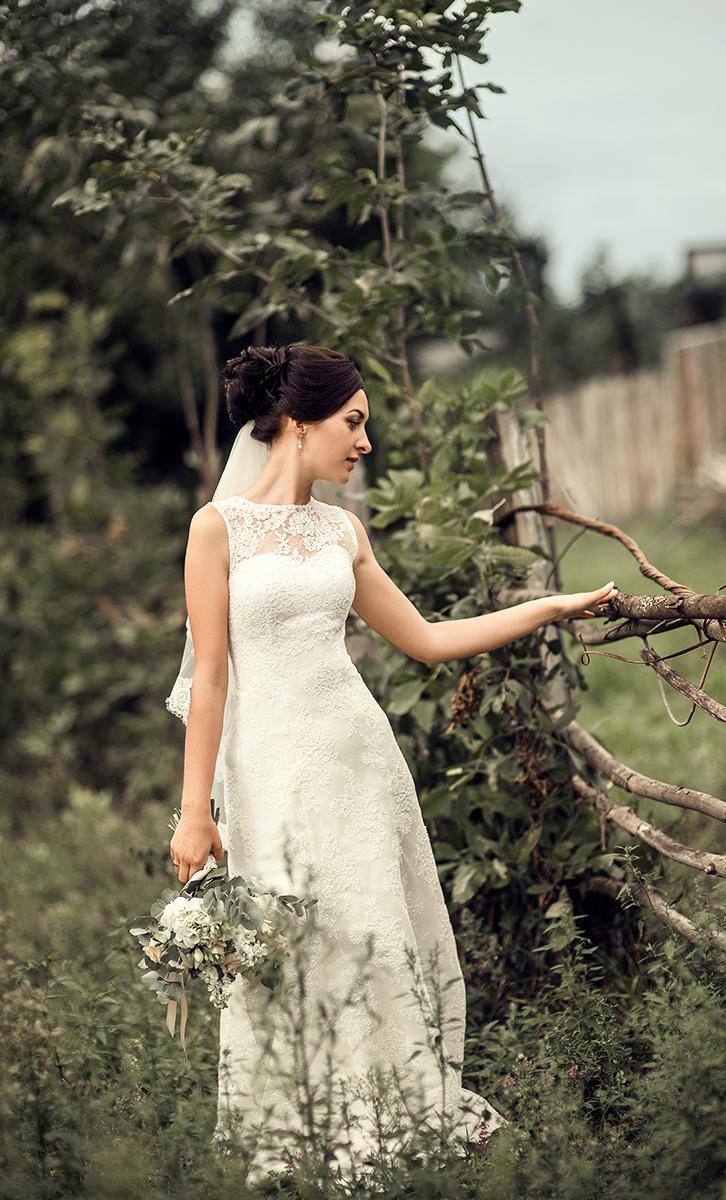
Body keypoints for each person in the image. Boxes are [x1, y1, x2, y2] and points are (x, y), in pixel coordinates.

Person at [167, 343, 617, 1181]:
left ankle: (393, 1120)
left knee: (371, 930)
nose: (364, 442)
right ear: (298, 425)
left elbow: (428, 641)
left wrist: (547, 606)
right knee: (289, 944)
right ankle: (297, 1133)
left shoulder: (345, 529)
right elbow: (212, 679)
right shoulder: (215, 528)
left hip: (359, 762)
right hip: (270, 772)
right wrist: (198, 811)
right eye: (353, 423)